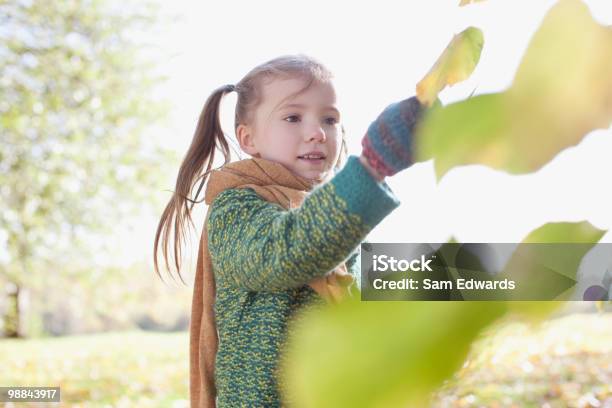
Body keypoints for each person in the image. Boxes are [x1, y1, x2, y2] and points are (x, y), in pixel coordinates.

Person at [153, 54, 426, 407]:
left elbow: (382, 275)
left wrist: (504, 270)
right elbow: (285, 255)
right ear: (248, 139)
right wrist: (372, 167)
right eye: (293, 117)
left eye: (330, 119)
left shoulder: (332, 219)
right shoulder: (235, 208)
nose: (316, 132)